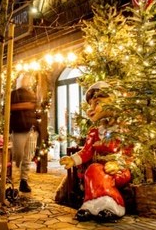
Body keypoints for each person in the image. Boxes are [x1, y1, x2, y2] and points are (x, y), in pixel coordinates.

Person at [59, 81, 132, 222]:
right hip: (99, 169)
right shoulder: (95, 132)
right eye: (90, 105)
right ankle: (96, 207)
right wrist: (72, 159)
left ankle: (112, 207)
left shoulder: (123, 130)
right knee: (93, 170)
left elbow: (129, 153)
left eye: (97, 103)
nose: (91, 109)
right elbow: (86, 152)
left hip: (118, 170)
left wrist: (119, 164)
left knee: (97, 171)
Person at [9, 74, 39, 193]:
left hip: (31, 128)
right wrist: (25, 105)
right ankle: (17, 172)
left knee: (28, 156)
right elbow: (9, 108)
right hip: (18, 129)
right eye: (24, 79)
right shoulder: (14, 94)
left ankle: (23, 180)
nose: (27, 81)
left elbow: (34, 106)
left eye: (28, 79)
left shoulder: (31, 93)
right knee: (18, 155)